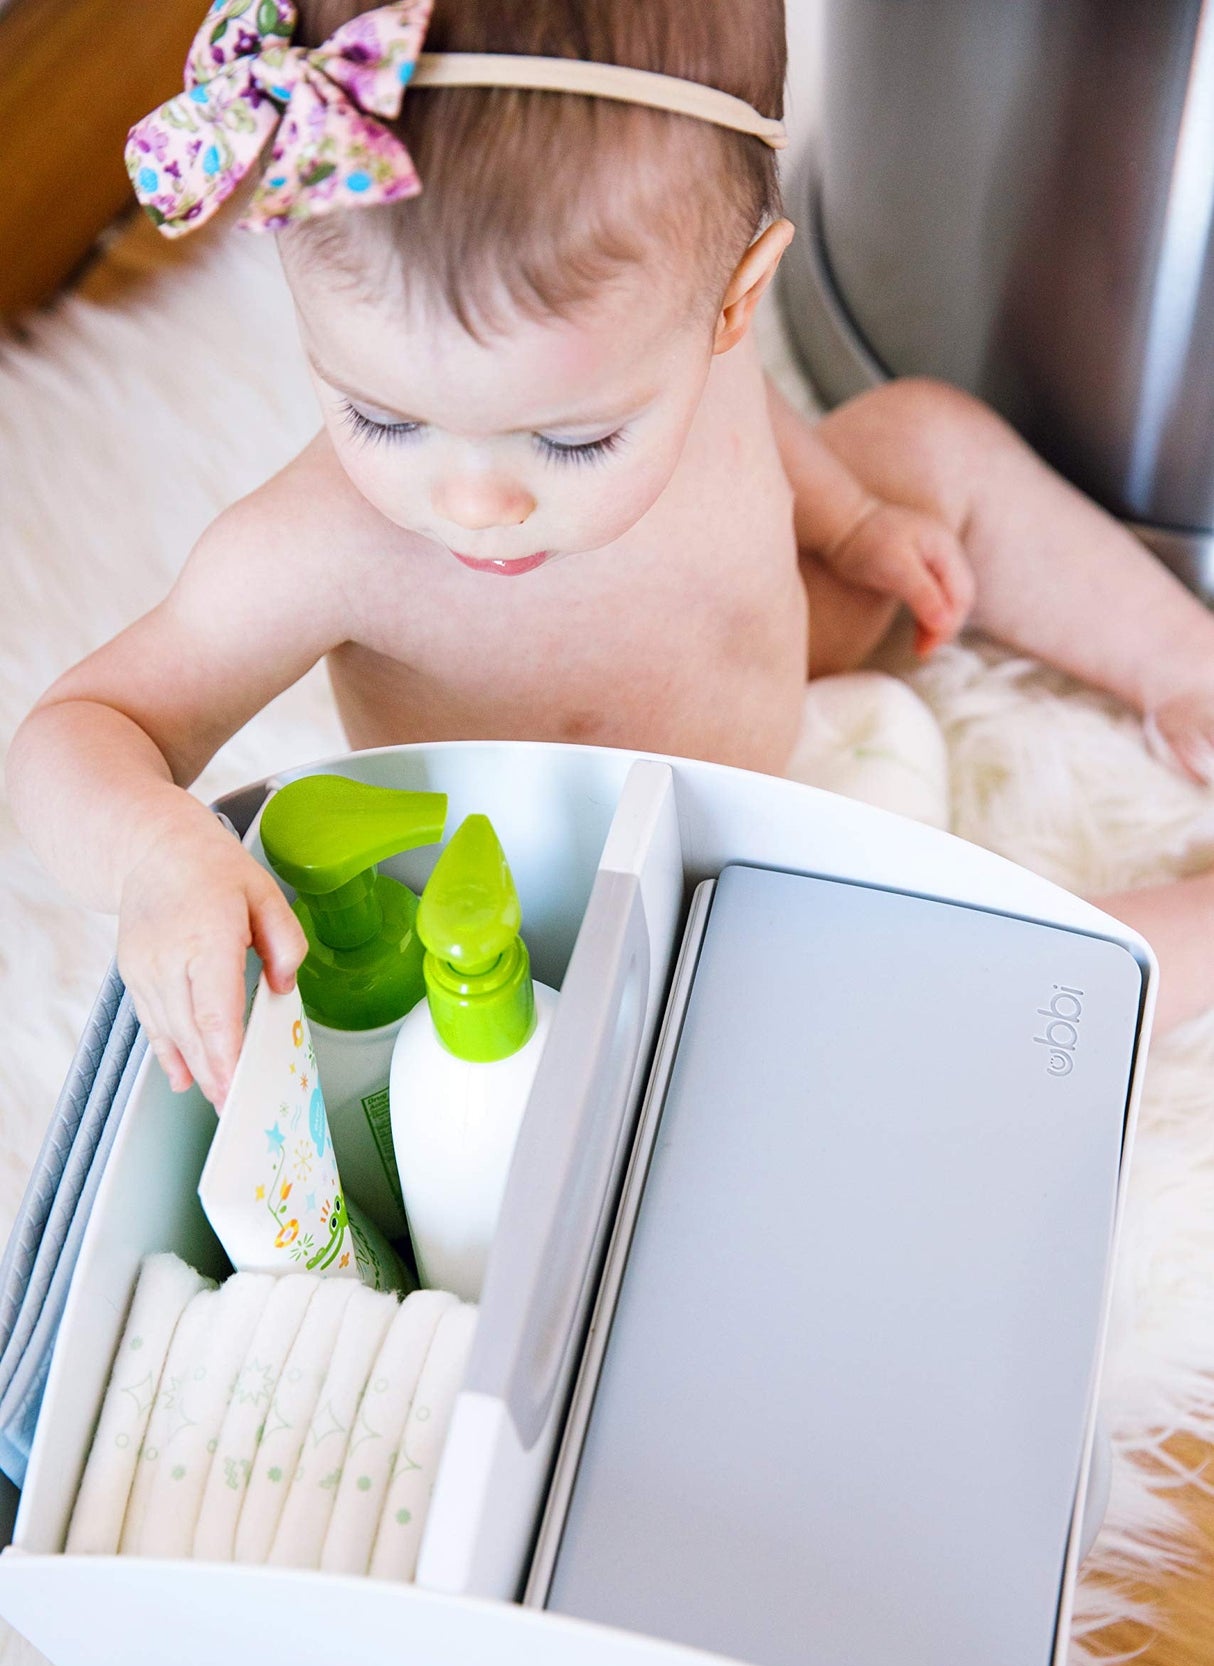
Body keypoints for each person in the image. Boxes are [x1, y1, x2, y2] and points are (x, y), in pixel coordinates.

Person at [9, 0, 1214, 1111]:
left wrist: (849, 520)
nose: (474, 501)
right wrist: (159, 853)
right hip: (614, 931)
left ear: (730, 304)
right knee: (927, 1018)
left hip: (776, 684)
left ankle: (1182, 663)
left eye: (573, 437)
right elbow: (81, 728)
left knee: (929, 442)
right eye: (380, 415)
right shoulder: (322, 545)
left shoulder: (678, 338)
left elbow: (751, 422)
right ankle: (1163, 938)